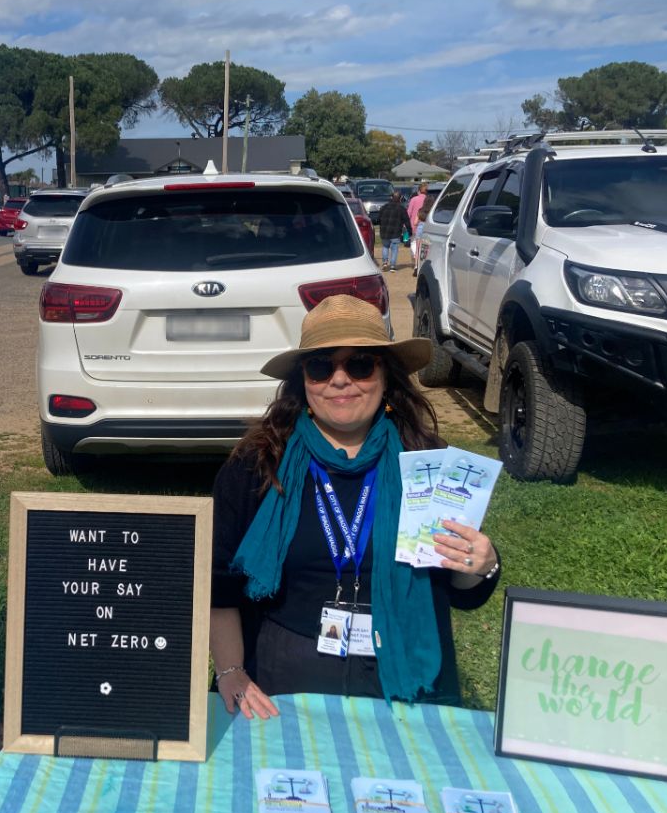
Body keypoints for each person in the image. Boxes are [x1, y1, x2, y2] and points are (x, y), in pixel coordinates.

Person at [210, 295, 500, 720]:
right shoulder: (258, 465)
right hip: (281, 679)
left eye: (360, 364)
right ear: (303, 381)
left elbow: (463, 590)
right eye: (322, 366)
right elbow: (219, 581)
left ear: (386, 376)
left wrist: (480, 566)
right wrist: (231, 671)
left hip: (402, 675)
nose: (340, 379)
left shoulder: (429, 464)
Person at [376, 192, 411, 272]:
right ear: (400, 199)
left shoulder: (384, 207)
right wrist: (409, 231)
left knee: (385, 247)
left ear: (391, 197)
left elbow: (378, 219)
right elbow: (407, 221)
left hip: (384, 231)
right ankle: (392, 266)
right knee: (394, 249)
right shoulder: (402, 209)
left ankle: (385, 262)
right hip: (396, 232)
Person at [407, 182, 429, 266]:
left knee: (413, 242)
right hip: (426, 225)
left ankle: (415, 255)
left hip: (414, 224)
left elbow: (409, 212)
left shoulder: (414, 199)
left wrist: (405, 223)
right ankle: (419, 258)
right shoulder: (428, 199)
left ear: (418, 191)